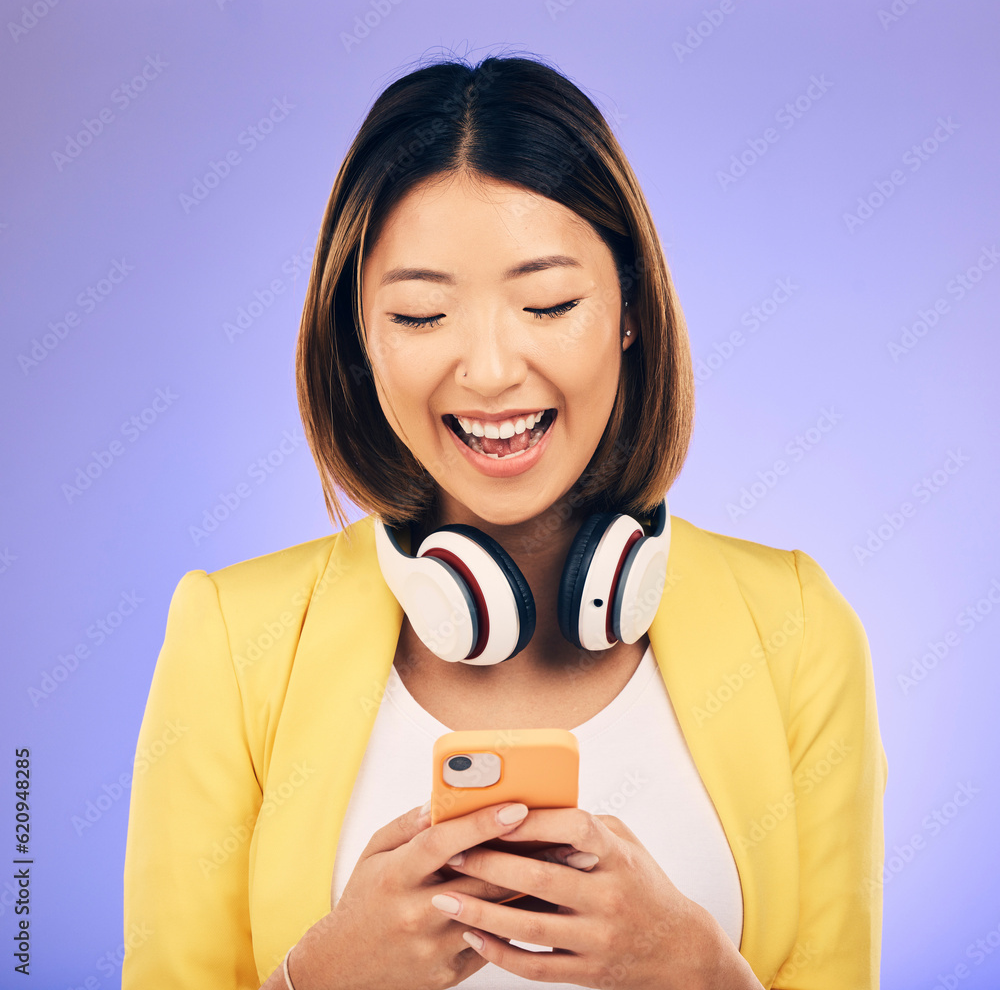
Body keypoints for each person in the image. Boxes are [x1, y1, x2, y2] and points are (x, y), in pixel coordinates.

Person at [121, 52, 888, 990]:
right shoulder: (232, 640)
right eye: (419, 315)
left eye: (549, 302)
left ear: (630, 312)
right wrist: (315, 981)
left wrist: (696, 973)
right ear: (358, 340)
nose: (488, 371)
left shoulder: (800, 631)